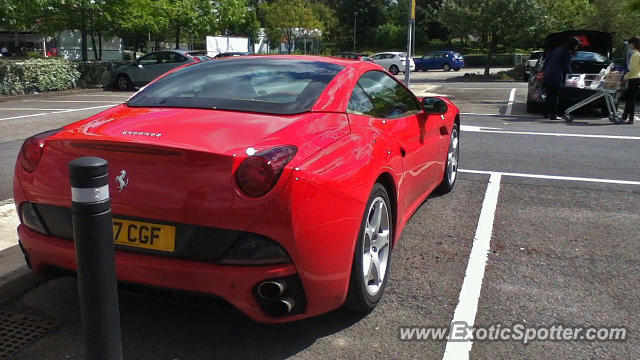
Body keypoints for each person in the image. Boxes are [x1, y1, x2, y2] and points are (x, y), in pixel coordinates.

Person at [542, 37, 580, 120]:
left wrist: (544, 71)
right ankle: (553, 115)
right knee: (555, 96)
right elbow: (566, 67)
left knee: (549, 95)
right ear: (573, 45)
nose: (577, 48)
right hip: (556, 75)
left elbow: (546, 61)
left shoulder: (557, 50)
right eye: (577, 46)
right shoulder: (567, 53)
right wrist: (573, 76)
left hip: (548, 73)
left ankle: (545, 114)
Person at [622, 37, 640, 124]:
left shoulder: (635, 54)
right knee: (628, 97)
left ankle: (630, 118)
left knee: (629, 98)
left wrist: (626, 77)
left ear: (633, 44)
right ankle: (624, 116)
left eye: (629, 44)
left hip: (634, 78)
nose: (628, 45)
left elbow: (633, 69)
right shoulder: (637, 54)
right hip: (635, 78)